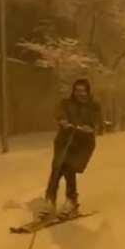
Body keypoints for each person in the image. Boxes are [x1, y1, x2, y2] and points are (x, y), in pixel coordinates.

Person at [42, 79, 103, 218]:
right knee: (57, 168)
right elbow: (59, 112)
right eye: (77, 90)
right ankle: (50, 200)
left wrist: (91, 127)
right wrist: (62, 120)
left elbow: (97, 121)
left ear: (88, 91)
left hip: (83, 144)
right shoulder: (66, 103)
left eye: (83, 90)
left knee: (70, 168)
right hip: (65, 140)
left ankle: (71, 200)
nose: (79, 93)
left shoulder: (94, 106)